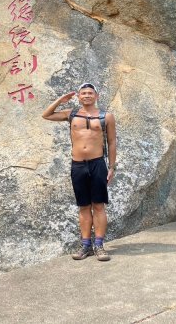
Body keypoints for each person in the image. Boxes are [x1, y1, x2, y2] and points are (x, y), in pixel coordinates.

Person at [42, 83, 117, 261]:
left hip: (97, 164)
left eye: (90, 93)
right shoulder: (71, 114)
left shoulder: (106, 116)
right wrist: (61, 100)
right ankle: (86, 246)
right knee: (83, 206)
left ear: (96, 96)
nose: (87, 95)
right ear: (79, 96)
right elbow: (46, 115)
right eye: (83, 93)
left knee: (98, 205)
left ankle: (99, 245)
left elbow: (112, 141)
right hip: (78, 165)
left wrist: (112, 166)